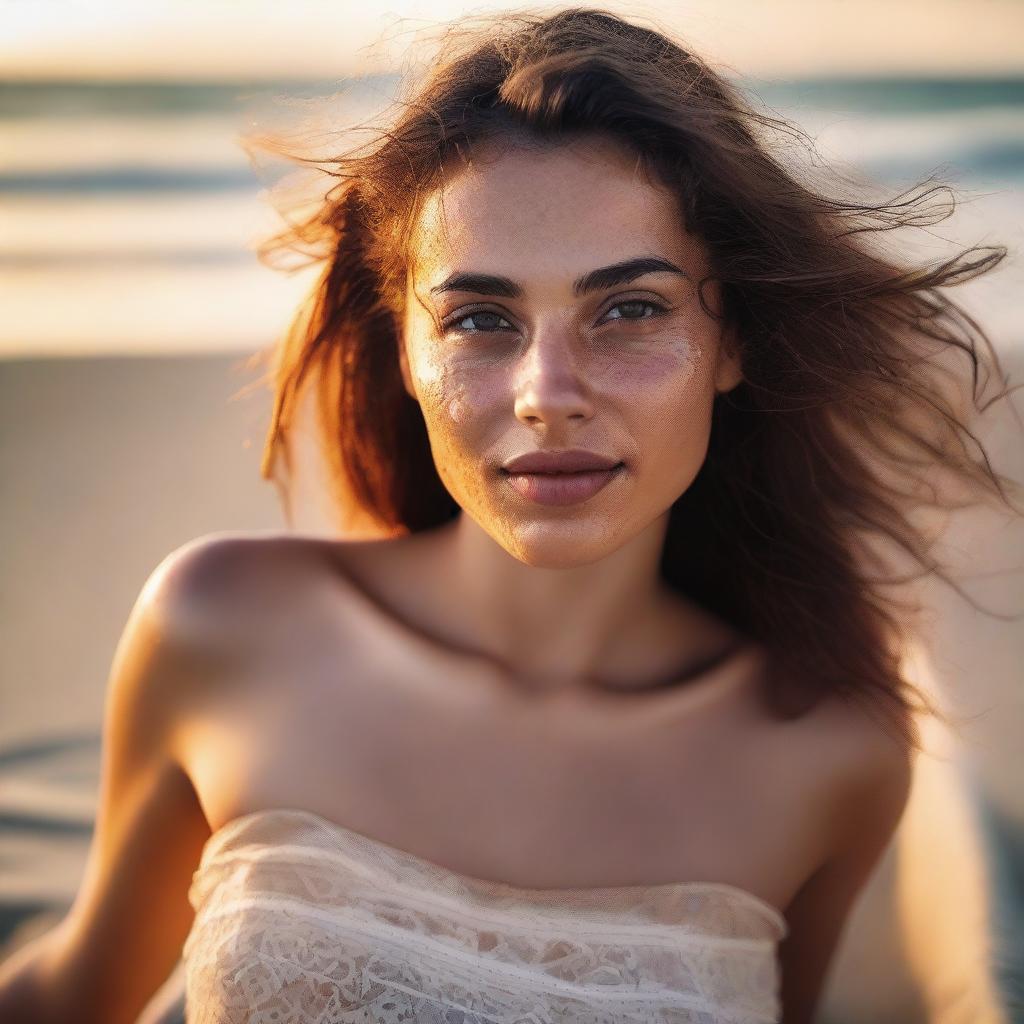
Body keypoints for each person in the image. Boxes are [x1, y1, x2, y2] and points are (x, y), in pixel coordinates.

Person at [0, 6, 1019, 1023]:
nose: (546, 391)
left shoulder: (827, 748)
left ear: (734, 341)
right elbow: (76, 991)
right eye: (481, 319)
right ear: (403, 348)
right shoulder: (223, 627)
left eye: (629, 309)